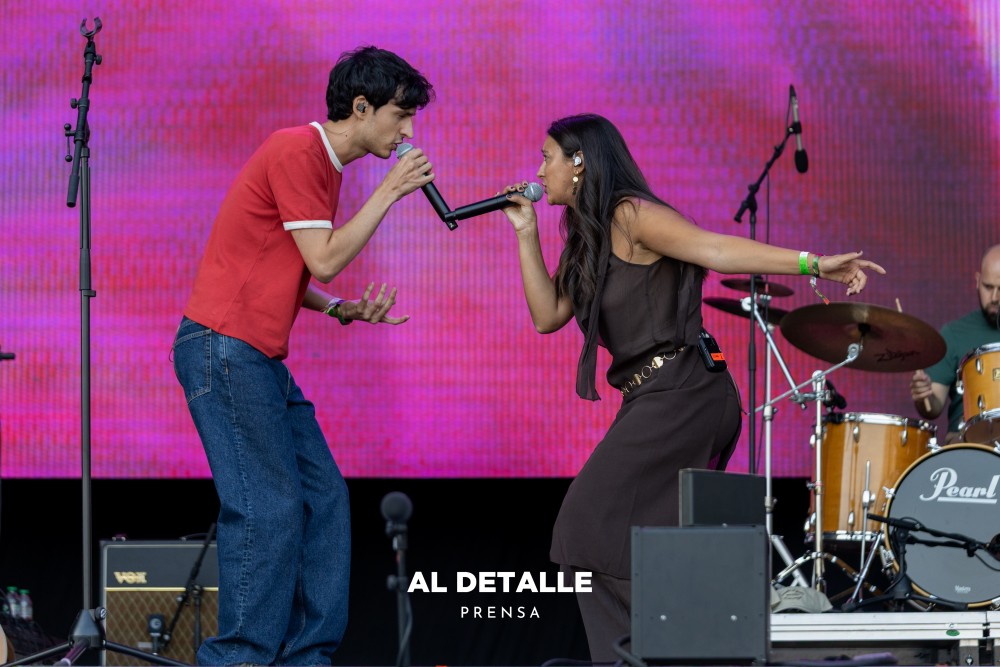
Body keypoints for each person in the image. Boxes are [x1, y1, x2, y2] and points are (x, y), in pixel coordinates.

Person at [498, 113, 885, 663]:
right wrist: (525, 232)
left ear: (579, 162)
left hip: (684, 391)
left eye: (547, 157)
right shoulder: (586, 239)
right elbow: (547, 314)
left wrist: (813, 263)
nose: (539, 170)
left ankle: (660, 651)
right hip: (656, 398)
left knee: (584, 528)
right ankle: (678, 647)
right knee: (625, 542)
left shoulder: (630, 215)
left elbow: (716, 251)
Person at [172, 46, 434, 666]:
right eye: (400, 116)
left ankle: (308, 658)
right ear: (361, 107)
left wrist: (338, 308)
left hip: (253, 354)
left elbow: (280, 265)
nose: (408, 132)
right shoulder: (297, 149)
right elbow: (322, 255)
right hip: (223, 346)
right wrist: (391, 191)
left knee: (325, 497)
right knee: (267, 507)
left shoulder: (327, 167)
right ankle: (237, 659)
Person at [910, 244, 1000, 443]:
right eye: (988, 287)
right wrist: (924, 395)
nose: (994, 298)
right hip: (967, 447)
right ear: (977, 281)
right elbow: (933, 407)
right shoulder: (954, 333)